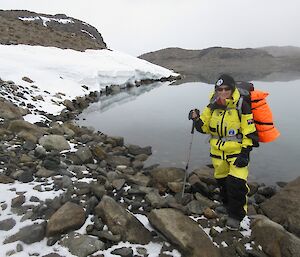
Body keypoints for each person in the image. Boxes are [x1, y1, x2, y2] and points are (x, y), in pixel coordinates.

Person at [189, 74, 258, 230]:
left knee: (237, 184)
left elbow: (250, 131)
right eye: (220, 89)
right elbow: (205, 127)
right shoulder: (212, 105)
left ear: (232, 89)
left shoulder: (241, 106)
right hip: (217, 152)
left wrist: (245, 153)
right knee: (222, 182)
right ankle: (227, 205)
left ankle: (236, 215)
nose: (223, 92)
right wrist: (196, 119)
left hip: (236, 152)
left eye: (227, 89)